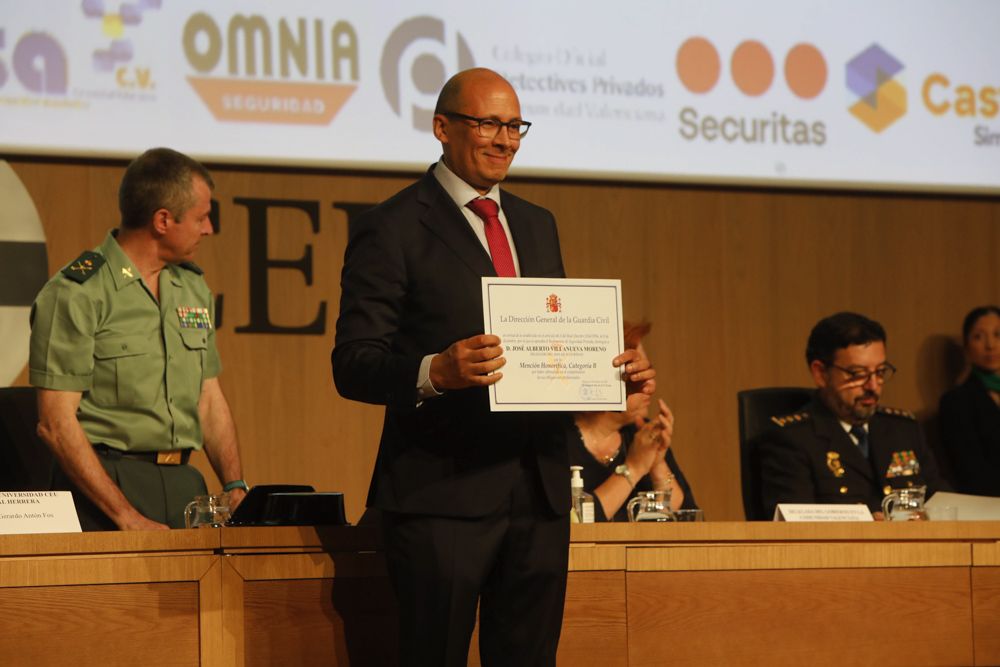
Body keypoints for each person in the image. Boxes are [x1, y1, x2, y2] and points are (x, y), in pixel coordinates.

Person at [332, 68, 654, 666]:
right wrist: (435, 371)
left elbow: (549, 345)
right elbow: (353, 364)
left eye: (515, 126)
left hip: (538, 492)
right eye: (488, 124)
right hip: (442, 497)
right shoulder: (393, 227)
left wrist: (612, 372)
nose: (504, 139)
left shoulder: (537, 223)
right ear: (442, 128)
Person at [29, 147, 247, 531]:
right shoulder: (78, 291)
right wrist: (125, 516)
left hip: (184, 487)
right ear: (163, 220)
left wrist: (234, 487)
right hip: (104, 488)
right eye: (202, 217)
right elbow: (55, 423)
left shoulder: (191, 287)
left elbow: (208, 398)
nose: (209, 228)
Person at [759, 311, 947, 517]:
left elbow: (942, 502)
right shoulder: (794, 439)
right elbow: (796, 530)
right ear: (820, 373)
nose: (873, 386)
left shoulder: (902, 429)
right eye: (858, 374)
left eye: (880, 372)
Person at [569, 321, 698, 521]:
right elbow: (573, 525)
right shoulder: (559, 439)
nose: (650, 385)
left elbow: (688, 519)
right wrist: (633, 468)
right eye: (637, 376)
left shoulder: (641, 434)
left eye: (649, 372)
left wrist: (657, 464)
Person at [939, 305, 1000, 496]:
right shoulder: (956, 402)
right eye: (979, 337)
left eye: (998, 334)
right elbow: (971, 472)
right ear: (966, 347)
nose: (990, 345)